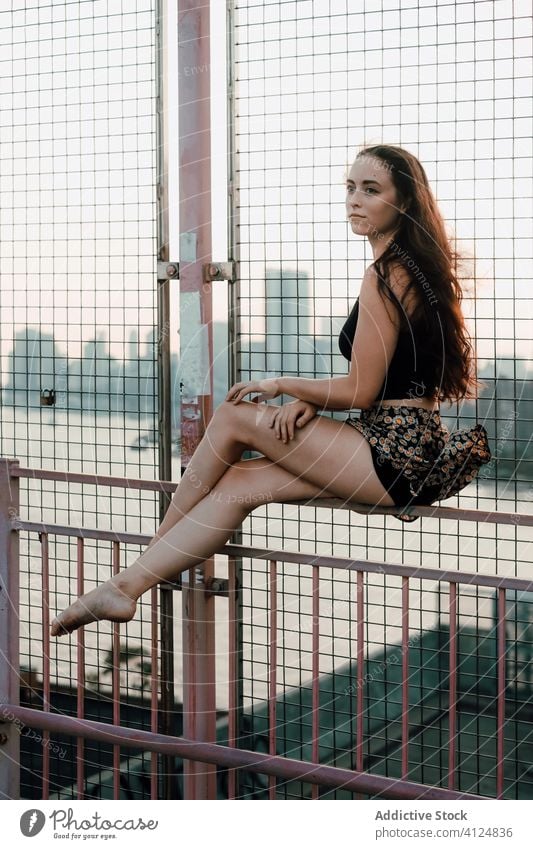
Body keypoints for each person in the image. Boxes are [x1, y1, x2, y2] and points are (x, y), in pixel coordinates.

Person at [51, 143, 491, 637]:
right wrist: (308, 400)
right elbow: (378, 385)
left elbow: (361, 390)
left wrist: (281, 385)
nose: (354, 200)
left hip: (393, 454)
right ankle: (127, 587)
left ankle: (151, 554)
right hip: (402, 448)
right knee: (243, 484)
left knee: (236, 415)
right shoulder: (411, 269)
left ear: (404, 202)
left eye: (371, 190)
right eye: (349, 188)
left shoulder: (387, 274)